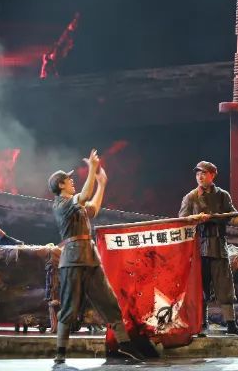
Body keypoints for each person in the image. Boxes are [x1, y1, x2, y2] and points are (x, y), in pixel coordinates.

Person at [50, 150, 144, 365]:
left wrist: (101, 184)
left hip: (90, 257)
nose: (72, 181)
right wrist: (92, 169)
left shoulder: (76, 205)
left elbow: (92, 208)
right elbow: (84, 196)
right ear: (61, 185)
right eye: (68, 180)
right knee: (69, 306)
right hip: (73, 259)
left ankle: (124, 344)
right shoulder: (61, 204)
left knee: (109, 302)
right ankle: (60, 352)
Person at [179, 160, 238, 336]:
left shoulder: (222, 195)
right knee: (200, 288)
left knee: (225, 285)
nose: (200, 176)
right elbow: (182, 221)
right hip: (199, 247)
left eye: (203, 173)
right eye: (197, 173)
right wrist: (194, 219)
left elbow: (233, 217)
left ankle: (231, 325)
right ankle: (202, 324)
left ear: (212, 175)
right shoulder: (191, 197)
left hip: (218, 246)